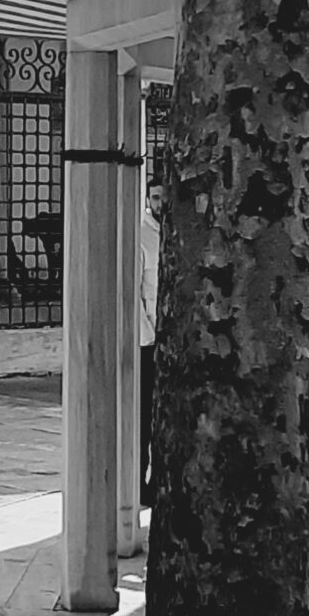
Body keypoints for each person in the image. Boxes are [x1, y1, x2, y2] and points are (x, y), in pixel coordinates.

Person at [139, 176, 164, 505]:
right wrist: (148, 339)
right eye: (156, 198)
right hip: (149, 343)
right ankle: (140, 481)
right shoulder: (141, 235)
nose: (160, 203)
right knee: (144, 417)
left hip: (174, 342)